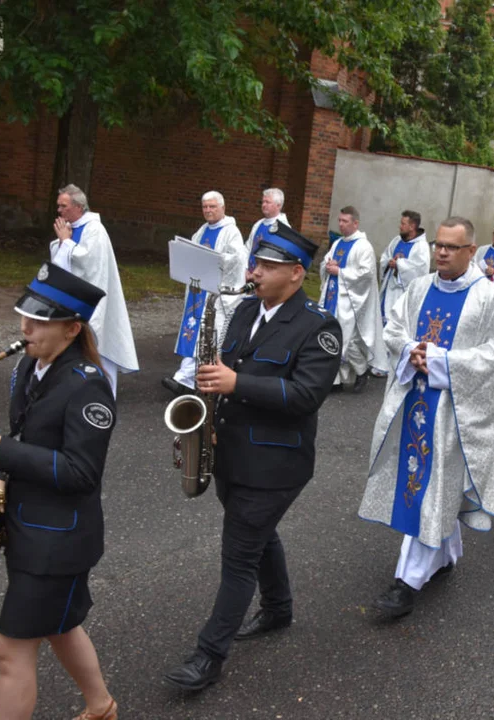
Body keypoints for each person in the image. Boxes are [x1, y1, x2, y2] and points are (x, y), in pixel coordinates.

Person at [164, 224, 341, 692]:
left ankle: (208, 655)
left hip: (277, 465)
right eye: (255, 263)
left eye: (265, 266)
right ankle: (279, 610)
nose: (253, 271)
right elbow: (219, 371)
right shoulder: (243, 311)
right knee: (259, 536)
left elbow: (306, 395)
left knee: (239, 555)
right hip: (232, 452)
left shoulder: (319, 325)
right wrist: (204, 427)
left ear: (296, 274)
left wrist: (236, 384)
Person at [0, 262, 117, 720]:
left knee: (9, 650)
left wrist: (2, 453)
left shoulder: (88, 388)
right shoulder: (32, 367)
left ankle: (101, 704)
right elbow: (30, 440)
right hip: (32, 526)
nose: (24, 328)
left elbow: (81, 472)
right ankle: (101, 706)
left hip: (59, 541)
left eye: (39, 321)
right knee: (60, 626)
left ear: (72, 329)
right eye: (24, 316)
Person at [359, 216, 494, 618]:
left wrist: (443, 360)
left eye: (452, 247)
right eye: (439, 246)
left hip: (452, 412)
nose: (442, 253)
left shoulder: (487, 297)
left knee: (433, 488)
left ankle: (407, 582)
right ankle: (447, 552)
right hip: (413, 400)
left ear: (471, 252)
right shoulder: (418, 287)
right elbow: (394, 326)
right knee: (428, 487)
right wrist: (411, 348)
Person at [51, 184, 138, 396]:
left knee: (96, 344)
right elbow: (59, 262)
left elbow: (88, 262)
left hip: (93, 300)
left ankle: (102, 392)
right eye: (58, 206)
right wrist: (62, 242)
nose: (59, 211)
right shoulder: (71, 229)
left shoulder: (94, 230)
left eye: (63, 206)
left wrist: (65, 242)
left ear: (78, 206)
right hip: (72, 300)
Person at [164, 191, 247, 394]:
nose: (208, 210)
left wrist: (213, 259)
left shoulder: (231, 231)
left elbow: (236, 260)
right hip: (198, 291)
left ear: (222, 208)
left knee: (208, 335)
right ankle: (187, 378)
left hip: (215, 294)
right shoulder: (202, 231)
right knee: (193, 334)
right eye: (205, 207)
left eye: (212, 207)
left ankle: (190, 379)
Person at [319, 206, 387, 392]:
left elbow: (366, 274)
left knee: (349, 343)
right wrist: (328, 264)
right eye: (339, 220)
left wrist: (340, 271)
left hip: (350, 303)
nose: (340, 224)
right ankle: (336, 382)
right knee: (332, 339)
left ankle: (361, 371)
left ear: (355, 223)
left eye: (345, 221)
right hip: (333, 299)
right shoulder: (338, 243)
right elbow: (327, 261)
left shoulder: (363, 246)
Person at [379, 210, 429, 322]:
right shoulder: (397, 240)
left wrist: (399, 265)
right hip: (388, 290)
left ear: (412, 226)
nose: (400, 226)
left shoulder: (421, 246)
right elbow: (384, 257)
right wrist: (388, 262)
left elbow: (420, 270)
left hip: (402, 295)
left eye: (403, 224)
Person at [245, 188, 289, 275]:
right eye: (263, 202)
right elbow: (247, 248)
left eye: (267, 202)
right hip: (249, 273)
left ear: (278, 205)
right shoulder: (258, 224)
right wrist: (245, 268)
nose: (264, 205)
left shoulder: (284, 229)